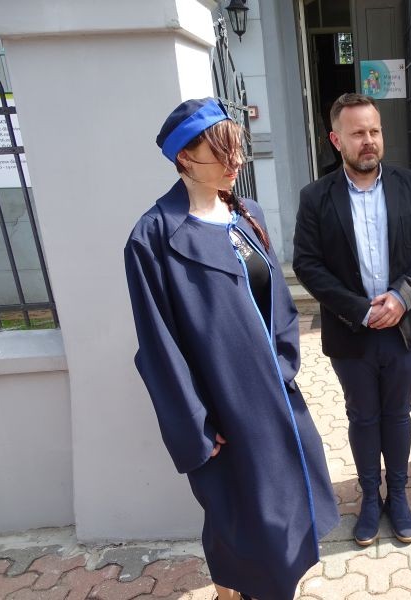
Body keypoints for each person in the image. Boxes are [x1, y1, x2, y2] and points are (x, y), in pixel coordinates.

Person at [124, 98, 339, 600]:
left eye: (238, 150)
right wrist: (196, 425)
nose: (235, 162)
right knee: (235, 518)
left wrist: (283, 366)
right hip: (222, 413)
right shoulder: (153, 238)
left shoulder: (247, 214)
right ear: (184, 158)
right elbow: (157, 345)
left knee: (287, 509)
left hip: (275, 398)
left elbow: (278, 301)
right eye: (221, 153)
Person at [292, 93, 411, 547]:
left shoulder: (410, 185)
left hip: (404, 328)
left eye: (375, 131)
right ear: (336, 139)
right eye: (358, 133)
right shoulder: (316, 197)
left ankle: (397, 496)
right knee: (362, 416)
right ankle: (367, 497)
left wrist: (402, 297)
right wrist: (359, 309)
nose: (369, 141)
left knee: (398, 414)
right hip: (351, 331)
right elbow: (307, 264)